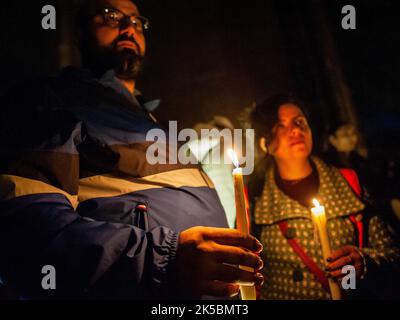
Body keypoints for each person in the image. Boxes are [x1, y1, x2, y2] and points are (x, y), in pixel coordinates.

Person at [0, 0, 264, 299]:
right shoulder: (51, 98)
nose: (128, 27)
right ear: (80, 32)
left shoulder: (149, 119)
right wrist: (165, 259)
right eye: (111, 16)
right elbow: (28, 230)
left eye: (137, 21)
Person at [249, 94, 400, 300]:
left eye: (300, 121)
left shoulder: (347, 182)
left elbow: (391, 252)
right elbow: (248, 270)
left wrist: (363, 262)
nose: (296, 129)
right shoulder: (256, 198)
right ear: (265, 143)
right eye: (281, 126)